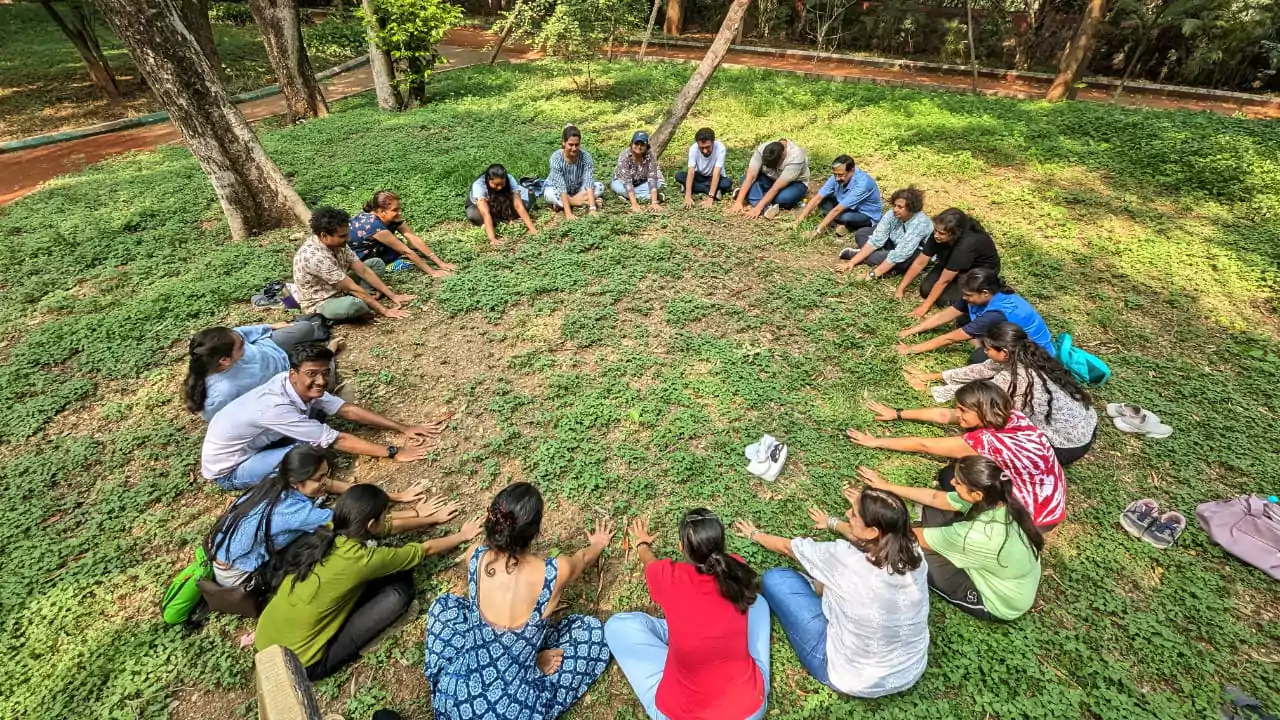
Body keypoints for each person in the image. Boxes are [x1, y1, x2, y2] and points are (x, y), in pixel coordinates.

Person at [425, 483, 613, 720]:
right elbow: (583, 557)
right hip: (510, 710)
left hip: (456, 699)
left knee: (445, 606)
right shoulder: (554, 572)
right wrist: (598, 543)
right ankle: (529, 662)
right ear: (535, 530)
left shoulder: (475, 555)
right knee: (592, 631)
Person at [255, 484, 482, 681]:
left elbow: (387, 527)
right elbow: (425, 549)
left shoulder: (328, 532)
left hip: (265, 641)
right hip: (300, 665)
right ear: (371, 523)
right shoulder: (362, 560)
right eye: (385, 515)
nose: (387, 519)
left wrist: (429, 518)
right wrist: (462, 535)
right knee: (399, 591)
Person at [733, 488, 929, 698]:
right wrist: (831, 523)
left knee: (777, 579)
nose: (847, 514)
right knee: (830, 580)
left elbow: (788, 548)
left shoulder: (844, 558)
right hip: (909, 668)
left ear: (872, 531)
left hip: (849, 675)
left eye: (854, 514)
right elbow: (868, 538)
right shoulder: (914, 552)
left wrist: (755, 534)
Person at [204, 444, 458, 588]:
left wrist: (391, 496)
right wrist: (420, 515)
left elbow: (333, 485)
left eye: (326, 474)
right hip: (240, 576)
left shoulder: (276, 479)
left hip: (223, 552)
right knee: (336, 538)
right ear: (296, 481)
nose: (326, 482)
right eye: (319, 478)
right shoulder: (295, 512)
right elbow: (360, 523)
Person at [200, 344, 447, 491]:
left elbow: (345, 410)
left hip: (258, 442)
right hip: (232, 469)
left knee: (316, 426)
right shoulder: (275, 406)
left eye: (324, 373)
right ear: (293, 373)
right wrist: (393, 452)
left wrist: (403, 428)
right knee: (309, 454)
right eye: (311, 373)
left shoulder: (292, 384)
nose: (320, 380)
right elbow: (335, 439)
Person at [605, 510, 770, 720]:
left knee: (617, 626)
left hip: (681, 714)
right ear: (722, 543)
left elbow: (648, 561)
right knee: (758, 603)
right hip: (748, 711)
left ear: (682, 548)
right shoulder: (737, 569)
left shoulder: (667, 577)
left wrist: (642, 544)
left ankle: (678, 634)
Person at [847, 380, 1066, 530]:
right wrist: (897, 414)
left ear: (982, 410)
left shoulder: (986, 442)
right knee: (952, 474)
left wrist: (876, 442)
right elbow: (944, 414)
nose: (957, 414)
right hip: (1051, 500)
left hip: (1032, 517)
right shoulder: (1013, 417)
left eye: (963, 410)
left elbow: (924, 445)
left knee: (949, 480)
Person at [858, 456, 1044, 622]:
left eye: (959, 482)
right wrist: (887, 486)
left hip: (996, 601)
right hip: (997, 566)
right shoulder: (998, 499)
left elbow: (908, 537)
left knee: (904, 550)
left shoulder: (975, 535)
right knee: (934, 509)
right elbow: (935, 498)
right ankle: (945, 543)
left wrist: (867, 523)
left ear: (977, 495)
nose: (952, 482)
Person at [906, 321, 1098, 465]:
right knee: (978, 359)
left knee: (987, 431)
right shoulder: (1027, 353)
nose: (986, 351)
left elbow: (979, 395)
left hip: (1066, 444)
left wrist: (935, 391)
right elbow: (982, 370)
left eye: (988, 348)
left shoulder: (1016, 380)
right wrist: (932, 375)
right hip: (1086, 420)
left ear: (1004, 352)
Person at [183, 320, 340, 421]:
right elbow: (224, 418)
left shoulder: (225, 342)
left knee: (306, 327)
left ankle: (309, 355)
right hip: (283, 379)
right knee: (321, 386)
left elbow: (240, 333)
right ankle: (327, 356)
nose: (244, 344)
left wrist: (270, 327)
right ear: (225, 360)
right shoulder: (222, 392)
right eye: (241, 347)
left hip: (271, 347)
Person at [896, 267, 1054, 363]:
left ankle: (981, 344)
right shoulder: (984, 297)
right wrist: (911, 331)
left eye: (968, 295)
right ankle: (979, 338)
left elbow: (949, 338)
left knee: (978, 359)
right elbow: (945, 315)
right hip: (1005, 332)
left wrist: (911, 350)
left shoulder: (996, 314)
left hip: (1033, 354)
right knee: (963, 318)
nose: (964, 298)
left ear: (985, 293)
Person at [293, 207, 416, 323]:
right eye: (342, 236)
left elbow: (363, 270)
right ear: (324, 235)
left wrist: (393, 296)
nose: (348, 238)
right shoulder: (314, 256)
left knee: (376, 264)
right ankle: (361, 303)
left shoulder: (339, 244)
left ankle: (364, 299)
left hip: (339, 286)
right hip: (322, 301)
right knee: (354, 305)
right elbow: (351, 287)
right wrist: (385, 311)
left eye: (347, 234)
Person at [897, 208, 1000, 317]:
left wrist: (924, 307)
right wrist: (900, 288)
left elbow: (944, 280)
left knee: (945, 300)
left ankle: (992, 289)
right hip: (952, 262)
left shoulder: (966, 245)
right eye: (935, 230)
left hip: (976, 272)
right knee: (926, 290)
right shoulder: (939, 233)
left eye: (941, 233)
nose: (936, 235)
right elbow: (920, 262)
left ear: (954, 234)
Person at [349, 190, 455, 277]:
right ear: (381, 211)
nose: (399, 213)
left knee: (401, 245)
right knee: (401, 248)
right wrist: (433, 272)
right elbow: (406, 251)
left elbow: (413, 238)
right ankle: (388, 266)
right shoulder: (373, 225)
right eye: (395, 210)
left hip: (376, 247)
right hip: (359, 259)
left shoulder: (390, 218)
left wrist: (440, 263)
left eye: (399, 208)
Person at [836, 186, 932, 279]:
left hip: (912, 252)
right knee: (862, 233)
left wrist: (872, 275)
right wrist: (851, 262)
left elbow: (900, 254)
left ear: (911, 208)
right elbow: (876, 240)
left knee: (900, 259)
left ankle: (871, 257)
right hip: (893, 243)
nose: (895, 209)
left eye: (900, 207)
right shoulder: (892, 214)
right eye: (894, 205)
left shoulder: (920, 223)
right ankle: (877, 256)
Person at [790, 155, 881, 236]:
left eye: (841, 175)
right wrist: (798, 220)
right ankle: (839, 225)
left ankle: (844, 225)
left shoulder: (863, 184)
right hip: (845, 205)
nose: (837, 178)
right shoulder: (837, 176)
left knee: (845, 217)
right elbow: (818, 198)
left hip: (864, 214)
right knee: (823, 201)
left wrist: (816, 231)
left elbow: (837, 210)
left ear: (852, 170)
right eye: (835, 174)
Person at [729, 138, 809, 219]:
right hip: (768, 178)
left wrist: (758, 208)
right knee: (745, 179)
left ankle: (752, 194)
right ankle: (766, 206)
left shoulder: (796, 157)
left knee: (783, 199)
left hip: (793, 183)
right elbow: (751, 176)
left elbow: (776, 187)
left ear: (782, 156)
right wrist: (738, 202)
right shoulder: (762, 149)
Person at [466, 163, 538, 245]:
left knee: (525, 205)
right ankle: (502, 222)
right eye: (496, 184)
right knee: (472, 213)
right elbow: (485, 213)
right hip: (483, 208)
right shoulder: (479, 185)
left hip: (501, 203)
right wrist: (492, 239)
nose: (500, 187)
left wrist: (532, 229)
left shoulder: (510, 179)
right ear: (489, 180)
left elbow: (518, 205)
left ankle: (496, 222)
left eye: (502, 184)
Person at [545, 125, 605, 219]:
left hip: (578, 189)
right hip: (557, 189)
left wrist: (592, 208)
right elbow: (561, 187)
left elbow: (589, 182)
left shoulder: (586, 157)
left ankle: (563, 204)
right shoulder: (556, 158)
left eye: (577, 145)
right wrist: (568, 214)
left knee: (600, 187)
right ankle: (579, 202)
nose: (574, 148)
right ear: (564, 143)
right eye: (571, 145)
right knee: (550, 194)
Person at [611, 131, 665, 212]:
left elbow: (652, 177)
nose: (639, 147)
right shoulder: (624, 156)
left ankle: (627, 197)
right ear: (631, 144)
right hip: (622, 182)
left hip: (642, 182)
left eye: (642, 144)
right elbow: (627, 182)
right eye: (636, 144)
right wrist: (634, 204)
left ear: (647, 146)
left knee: (659, 184)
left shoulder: (650, 155)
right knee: (619, 188)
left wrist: (654, 203)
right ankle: (648, 196)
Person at [678, 127, 732, 208]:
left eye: (707, 147)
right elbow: (691, 171)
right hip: (699, 176)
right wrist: (688, 196)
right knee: (679, 176)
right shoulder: (693, 149)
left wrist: (710, 198)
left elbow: (716, 173)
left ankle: (692, 187)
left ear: (713, 142)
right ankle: (712, 190)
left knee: (727, 183)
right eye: (701, 148)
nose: (705, 151)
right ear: (697, 144)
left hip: (713, 177)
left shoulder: (720, 148)